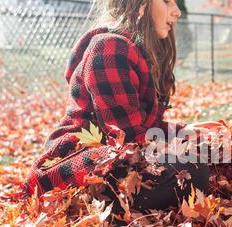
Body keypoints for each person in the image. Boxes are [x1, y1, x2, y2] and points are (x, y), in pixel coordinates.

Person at [23, 0, 213, 214]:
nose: (177, 12)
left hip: (117, 160)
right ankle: (100, 210)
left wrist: (185, 131)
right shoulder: (110, 47)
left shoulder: (139, 51)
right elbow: (127, 138)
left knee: (200, 157)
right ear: (139, 4)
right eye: (167, 1)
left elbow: (144, 126)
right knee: (192, 169)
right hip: (81, 166)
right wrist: (181, 148)